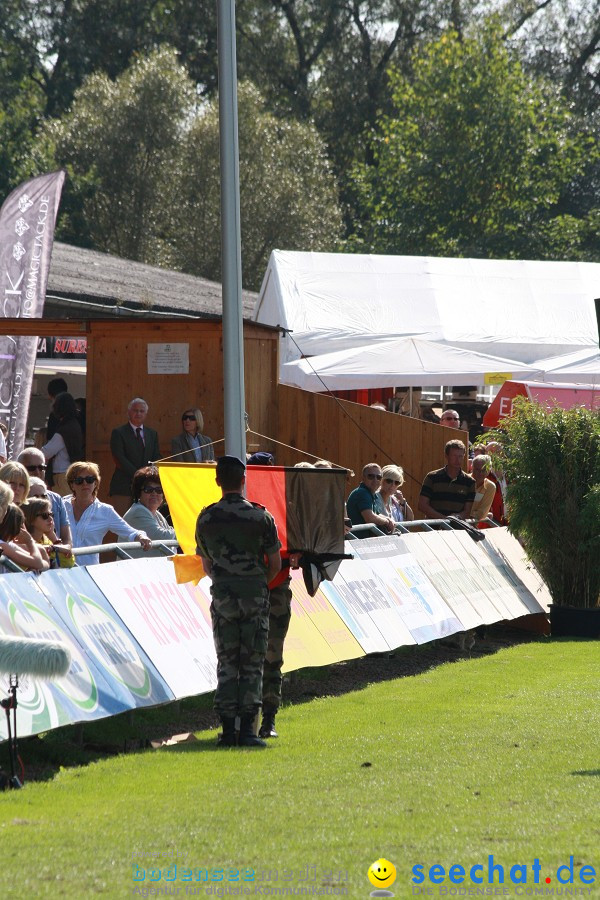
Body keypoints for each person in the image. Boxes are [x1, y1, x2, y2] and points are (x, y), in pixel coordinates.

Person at [195, 455, 281, 749]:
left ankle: (227, 730)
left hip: (223, 596)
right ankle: (248, 730)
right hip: (254, 594)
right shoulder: (261, 517)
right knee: (252, 662)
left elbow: (206, 563)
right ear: (243, 481)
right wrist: (256, 583)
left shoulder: (206, 518)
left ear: (218, 481)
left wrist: (225, 580)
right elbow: (275, 563)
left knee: (227, 662)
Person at [64, 461, 152, 566]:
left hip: (89, 573)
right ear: (72, 485)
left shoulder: (105, 511)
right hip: (60, 572)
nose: (85, 484)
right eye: (79, 480)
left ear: (95, 483)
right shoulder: (61, 506)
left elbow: (130, 532)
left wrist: (141, 536)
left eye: (89, 480)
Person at [109, 398, 161, 515]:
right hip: (124, 486)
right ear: (128, 412)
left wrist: (150, 475)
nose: (138, 413)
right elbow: (119, 458)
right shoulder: (118, 433)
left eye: (142, 411)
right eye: (135, 410)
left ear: (146, 414)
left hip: (147, 487)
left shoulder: (152, 434)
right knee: (123, 523)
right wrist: (140, 475)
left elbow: (156, 456)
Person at [17, 448, 73, 550]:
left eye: (41, 467)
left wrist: (60, 550)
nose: (37, 472)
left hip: (56, 561)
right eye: (31, 468)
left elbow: (67, 541)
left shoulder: (56, 499)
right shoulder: (15, 500)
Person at [123, 466, 177, 558]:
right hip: (135, 570)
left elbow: (172, 540)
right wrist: (181, 532)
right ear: (139, 492)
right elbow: (162, 536)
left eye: (159, 490)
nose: (154, 494)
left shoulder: (157, 514)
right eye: (148, 489)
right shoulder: (138, 512)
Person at [418, 439, 476, 520]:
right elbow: (422, 505)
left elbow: (467, 511)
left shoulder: (470, 482)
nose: (457, 460)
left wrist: (456, 517)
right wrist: (443, 519)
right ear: (446, 455)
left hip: (457, 529)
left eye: (460, 456)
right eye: (454, 456)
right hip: (434, 528)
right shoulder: (432, 477)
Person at [40, 392, 84, 496]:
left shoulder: (65, 429)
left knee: (62, 507)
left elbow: (46, 452)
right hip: (69, 473)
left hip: (62, 476)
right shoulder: (74, 424)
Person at [21, 497, 76, 568]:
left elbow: (68, 564)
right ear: (30, 519)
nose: (51, 519)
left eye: (51, 514)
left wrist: (52, 535)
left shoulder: (47, 541)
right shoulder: (21, 542)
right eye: (45, 516)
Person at [0, 502, 49, 573]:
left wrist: (33, 565)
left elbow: (43, 564)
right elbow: (37, 563)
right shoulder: (2, 545)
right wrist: (30, 542)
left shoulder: (7, 544)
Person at [346, 463, 395, 533]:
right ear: (363, 478)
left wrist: (388, 519)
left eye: (378, 477)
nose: (375, 480)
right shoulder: (362, 493)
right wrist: (387, 522)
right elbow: (369, 517)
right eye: (371, 476)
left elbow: (376, 514)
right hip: (357, 540)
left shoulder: (370, 493)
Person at [469, 454, 497, 522]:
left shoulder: (490, 487)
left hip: (471, 524)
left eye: (484, 470)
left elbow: (482, 513)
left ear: (489, 471)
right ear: (472, 468)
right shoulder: (463, 481)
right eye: (477, 469)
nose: (480, 473)